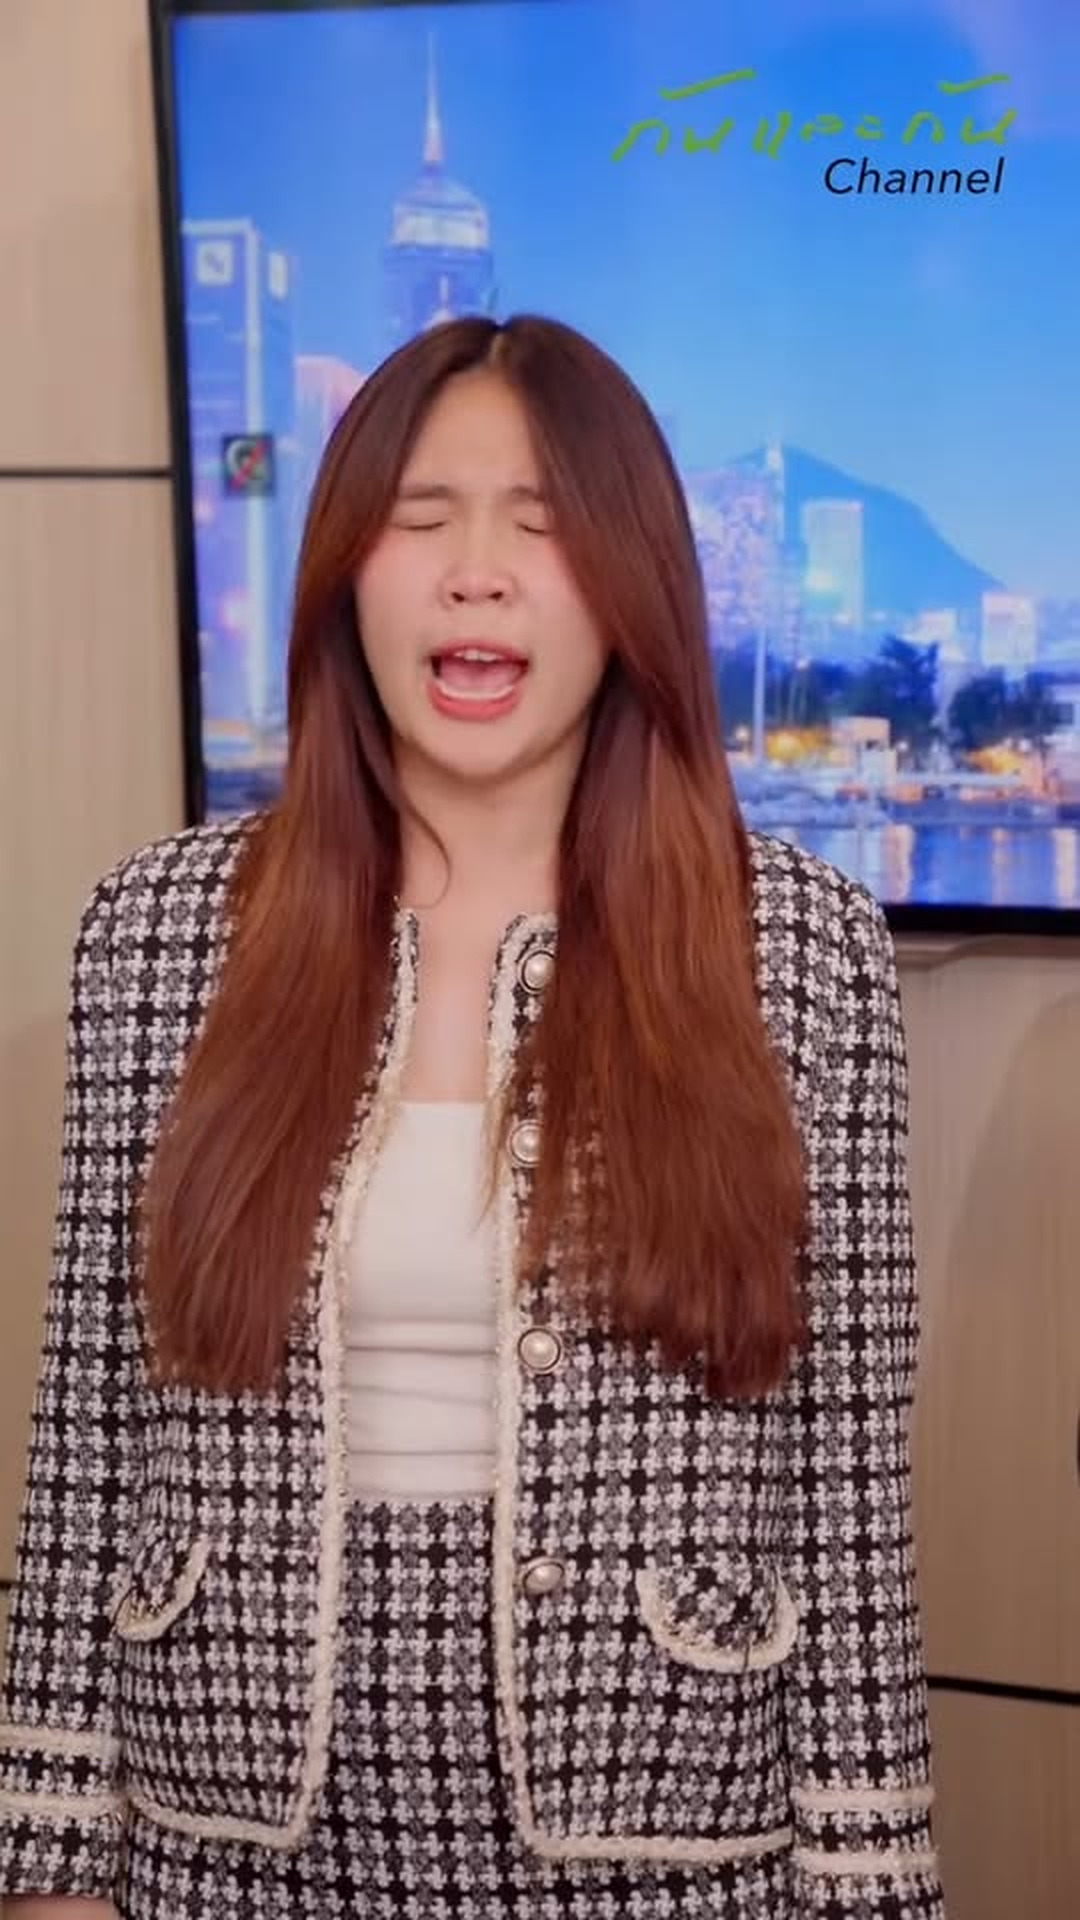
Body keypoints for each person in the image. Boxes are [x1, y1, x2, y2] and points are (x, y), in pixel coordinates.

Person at [0, 314, 945, 1919]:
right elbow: (88, 1435)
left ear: (633, 587)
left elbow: (849, 1492)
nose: (476, 574)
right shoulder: (163, 932)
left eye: (543, 525)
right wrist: (46, 1861)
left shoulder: (796, 947)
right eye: (420, 519)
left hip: (665, 1848)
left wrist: (873, 1880)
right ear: (343, 577)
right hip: (217, 1845)